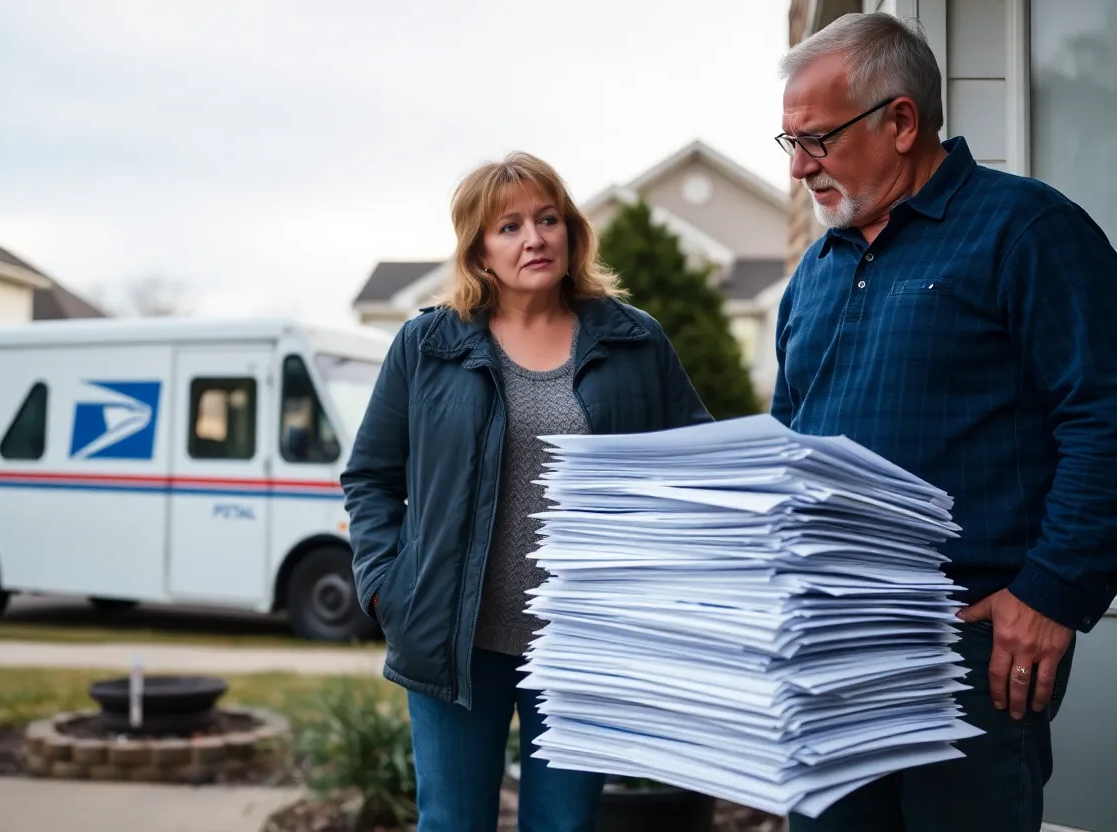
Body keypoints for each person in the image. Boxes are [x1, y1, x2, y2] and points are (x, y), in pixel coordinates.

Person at [770, 11, 1117, 832]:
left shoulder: (1026, 231)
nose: (799, 168)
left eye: (817, 140)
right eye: (790, 142)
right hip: (826, 649)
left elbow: (1104, 416)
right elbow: (788, 446)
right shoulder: (814, 271)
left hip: (965, 647)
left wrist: (1051, 593)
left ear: (901, 121)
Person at [340, 151, 711, 832]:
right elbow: (371, 476)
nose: (533, 239)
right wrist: (385, 587)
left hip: (583, 642)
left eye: (547, 219)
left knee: (564, 827)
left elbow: (699, 470)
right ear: (479, 250)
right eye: (508, 227)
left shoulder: (635, 342)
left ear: (571, 230)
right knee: (452, 823)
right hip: (454, 637)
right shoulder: (426, 346)